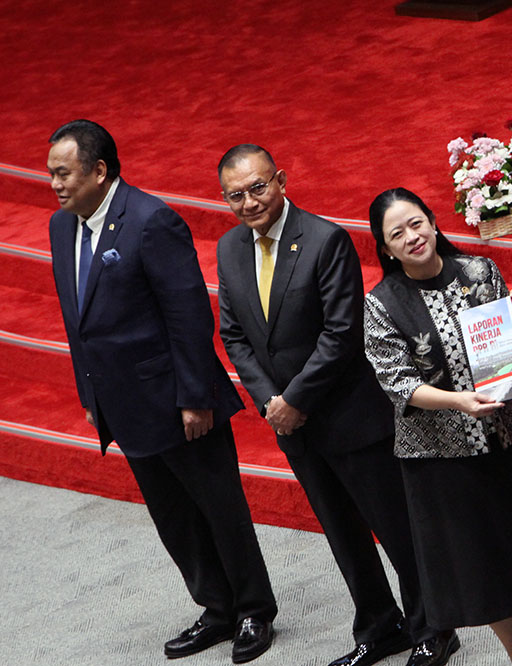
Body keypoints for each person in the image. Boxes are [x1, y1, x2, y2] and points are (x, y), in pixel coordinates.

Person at [45, 120, 276, 664]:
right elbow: (77, 318)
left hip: (178, 402)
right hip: (123, 404)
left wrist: (194, 395)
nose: (54, 183)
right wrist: (90, 393)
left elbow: (189, 315)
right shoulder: (62, 227)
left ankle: (253, 611)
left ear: (99, 171)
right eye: (51, 172)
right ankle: (216, 607)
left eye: (63, 172)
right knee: (173, 517)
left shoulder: (151, 221)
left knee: (219, 509)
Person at [215, 145, 455, 666]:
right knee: (342, 532)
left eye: (258, 187)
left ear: (280, 179)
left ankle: (434, 626)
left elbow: (343, 333)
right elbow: (234, 336)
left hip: (350, 415)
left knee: (394, 527)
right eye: (236, 195)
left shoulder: (325, 239)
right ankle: (379, 625)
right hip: (291, 424)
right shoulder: (230, 248)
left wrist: (295, 399)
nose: (249, 202)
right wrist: (271, 403)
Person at [362, 187, 512, 666]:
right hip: (441, 459)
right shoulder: (380, 304)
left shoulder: (479, 271)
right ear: (385, 248)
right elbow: (397, 383)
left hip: (509, 437)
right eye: (397, 234)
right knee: (482, 568)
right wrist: (458, 402)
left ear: (432, 221)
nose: (412, 237)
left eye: (417, 223)